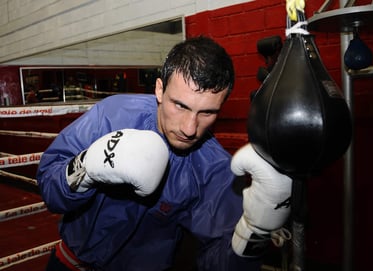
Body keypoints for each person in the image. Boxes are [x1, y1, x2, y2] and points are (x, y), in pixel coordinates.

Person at [37, 36, 292, 271]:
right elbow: (50, 187)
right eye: (180, 105)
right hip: (70, 264)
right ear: (159, 90)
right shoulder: (112, 116)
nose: (190, 128)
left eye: (207, 113)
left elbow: (217, 261)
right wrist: (85, 168)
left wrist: (254, 234)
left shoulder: (213, 168)